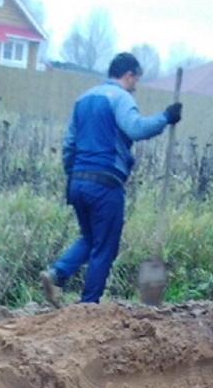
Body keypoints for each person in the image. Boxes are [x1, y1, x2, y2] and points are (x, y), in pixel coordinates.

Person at [40, 52, 182, 306]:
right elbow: (136, 128)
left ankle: (57, 273)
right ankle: (88, 305)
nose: (135, 87)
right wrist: (166, 117)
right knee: (105, 247)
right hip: (105, 184)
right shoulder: (120, 97)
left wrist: (73, 178)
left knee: (90, 238)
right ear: (128, 75)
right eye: (136, 80)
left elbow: (69, 144)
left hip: (78, 182)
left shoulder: (83, 99)